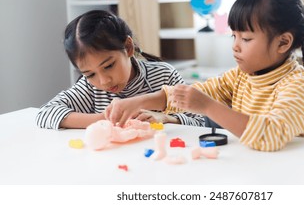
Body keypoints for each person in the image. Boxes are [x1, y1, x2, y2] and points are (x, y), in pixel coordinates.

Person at [104, 0, 304, 151]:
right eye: (234, 36)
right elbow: (191, 95)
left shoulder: (299, 87)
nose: (235, 47)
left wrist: (207, 106)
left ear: (283, 42)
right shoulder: (241, 77)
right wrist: (138, 101)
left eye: (246, 39)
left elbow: (267, 135)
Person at [36, 10, 205, 129]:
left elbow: (199, 122)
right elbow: (46, 113)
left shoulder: (163, 75)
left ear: (128, 47)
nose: (103, 81)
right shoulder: (90, 88)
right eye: (90, 74)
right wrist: (102, 119)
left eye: (109, 66)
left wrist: (166, 118)